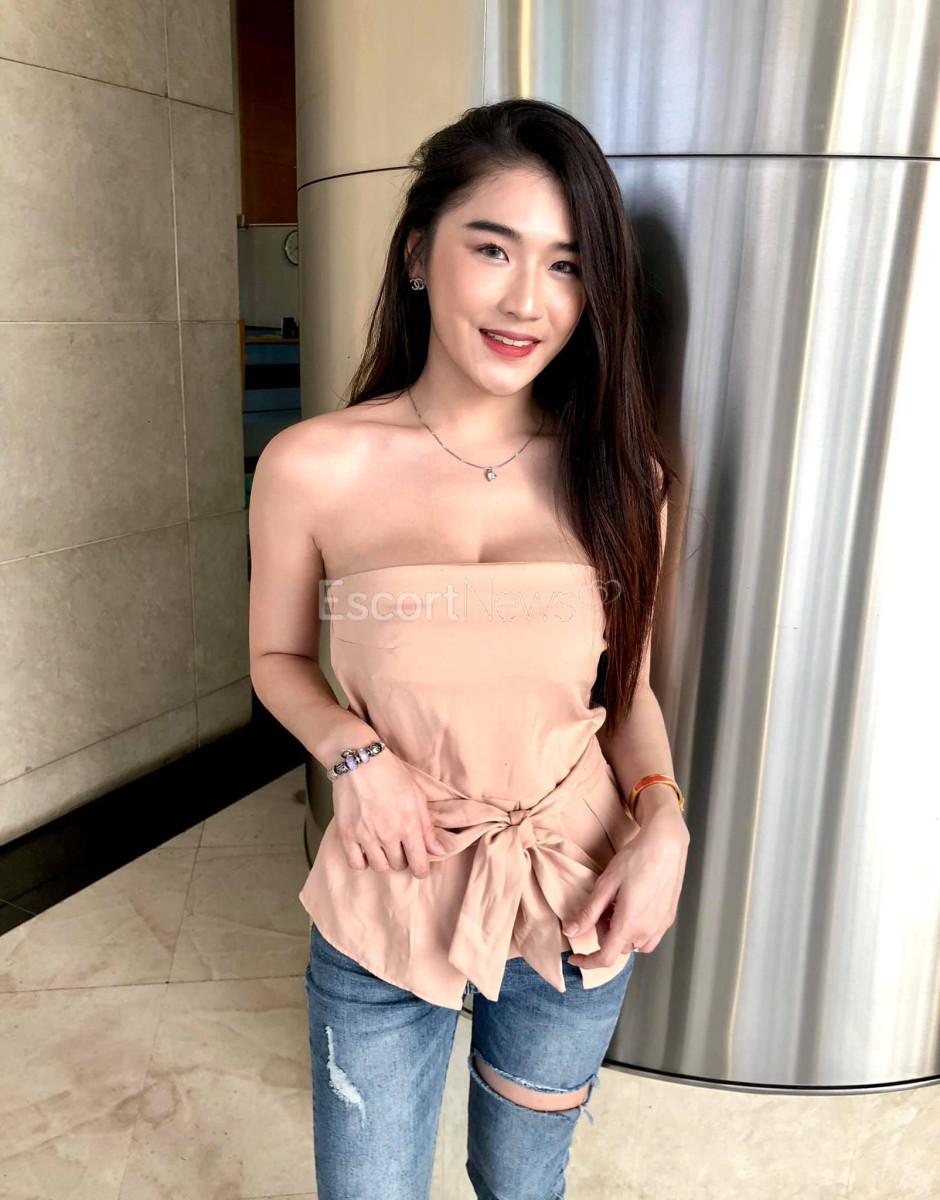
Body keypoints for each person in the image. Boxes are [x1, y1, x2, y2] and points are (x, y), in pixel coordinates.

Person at [248, 97, 690, 1200]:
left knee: (522, 1185)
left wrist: (665, 820)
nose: (526, 300)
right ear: (416, 254)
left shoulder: (625, 479)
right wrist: (355, 757)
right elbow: (276, 661)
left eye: (566, 265)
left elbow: (629, 694)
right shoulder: (312, 464)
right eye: (492, 248)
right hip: (388, 880)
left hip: (576, 888)